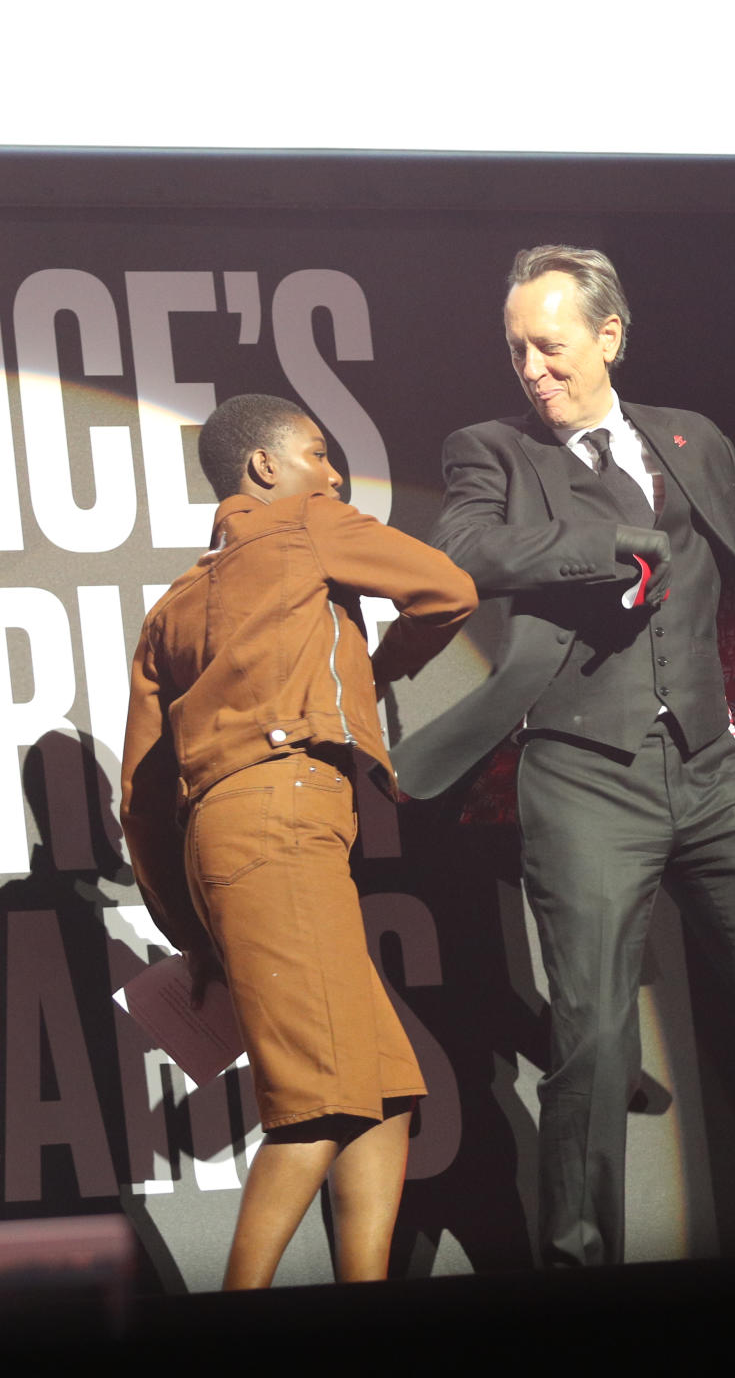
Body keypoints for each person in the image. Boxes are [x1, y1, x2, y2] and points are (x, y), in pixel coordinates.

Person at [392, 245, 735, 1267]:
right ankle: (580, 1274)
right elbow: (468, 549)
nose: (532, 369)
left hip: (715, 774)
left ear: (608, 336)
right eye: (517, 352)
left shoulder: (690, 439)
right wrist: (611, 549)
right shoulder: (491, 450)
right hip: (586, 775)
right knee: (591, 1038)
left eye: (549, 346)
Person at [120, 394, 477, 1288]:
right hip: (285, 818)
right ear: (267, 469)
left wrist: (189, 927)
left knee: (385, 1093)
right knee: (318, 1105)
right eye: (317, 454)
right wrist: (382, 664)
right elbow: (452, 591)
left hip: (227, 841)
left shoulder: (170, 611)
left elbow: (141, 796)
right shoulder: (308, 525)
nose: (333, 473)